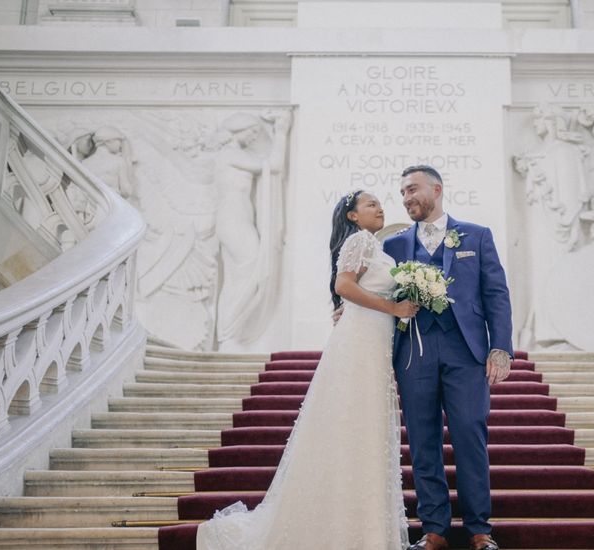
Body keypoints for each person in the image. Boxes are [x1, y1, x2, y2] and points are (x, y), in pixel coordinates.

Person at [196, 190, 419, 549]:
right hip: (359, 345)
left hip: (371, 343)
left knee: (363, 433)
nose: (379, 208)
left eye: (379, 203)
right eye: (370, 204)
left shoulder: (375, 246)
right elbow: (343, 284)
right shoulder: (361, 240)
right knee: (357, 429)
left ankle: (360, 528)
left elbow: (353, 291)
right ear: (352, 216)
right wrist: (392, 309)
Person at [383, 165, 513, 550]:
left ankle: (479, 530)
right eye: (402, 193)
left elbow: (496, 294)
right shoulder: (393, 246)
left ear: (436, 189)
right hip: (413, 354)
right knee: (422, 441)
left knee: (470, 435)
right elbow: (374, 293)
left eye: (412, 189)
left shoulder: (476, 235)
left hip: (465, 351)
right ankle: (435, 528)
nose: (406, 198)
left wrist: (500, 347)